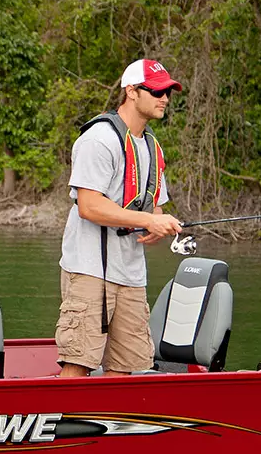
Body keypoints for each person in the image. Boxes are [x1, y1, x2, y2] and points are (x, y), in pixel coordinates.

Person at [56, 59, 185, 377]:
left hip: (130, 277)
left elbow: (152, 206)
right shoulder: (98, 140)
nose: (164, 98)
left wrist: (158, 221)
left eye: (167, 91)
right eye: (156, 91)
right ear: (131, 91)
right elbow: (89, 206)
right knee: (78, 362)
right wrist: (147, 221)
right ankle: (68, 423)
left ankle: (111, 427)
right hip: (89, 272)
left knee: (127, 369)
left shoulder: (153, 147)